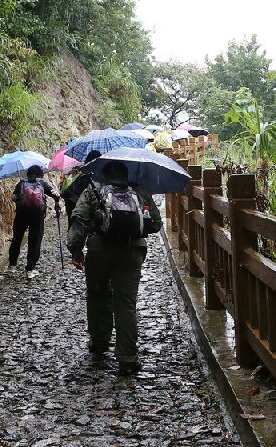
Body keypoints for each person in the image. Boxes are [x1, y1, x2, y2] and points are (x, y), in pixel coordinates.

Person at [66, 159, 162, 377]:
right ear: (126, 174)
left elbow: (79, 218)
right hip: (132, 252)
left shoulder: (93, 190)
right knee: (126, 303)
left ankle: (99, 343)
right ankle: (127, 358)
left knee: (98, 295)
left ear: (105, 174)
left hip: (100, 251)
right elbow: (156, 223)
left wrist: (76, 250)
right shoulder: (138, 190)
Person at [9, 164, 61, 280]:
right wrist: (57, 203)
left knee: (17, 238)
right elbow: (56, 195)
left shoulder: (22, 183)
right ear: (39, 174)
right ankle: (30, 269)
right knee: (35, 240)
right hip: (37, 215)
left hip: (22, 214)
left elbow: (13, 197)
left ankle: (12, 265)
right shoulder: (42, 183)